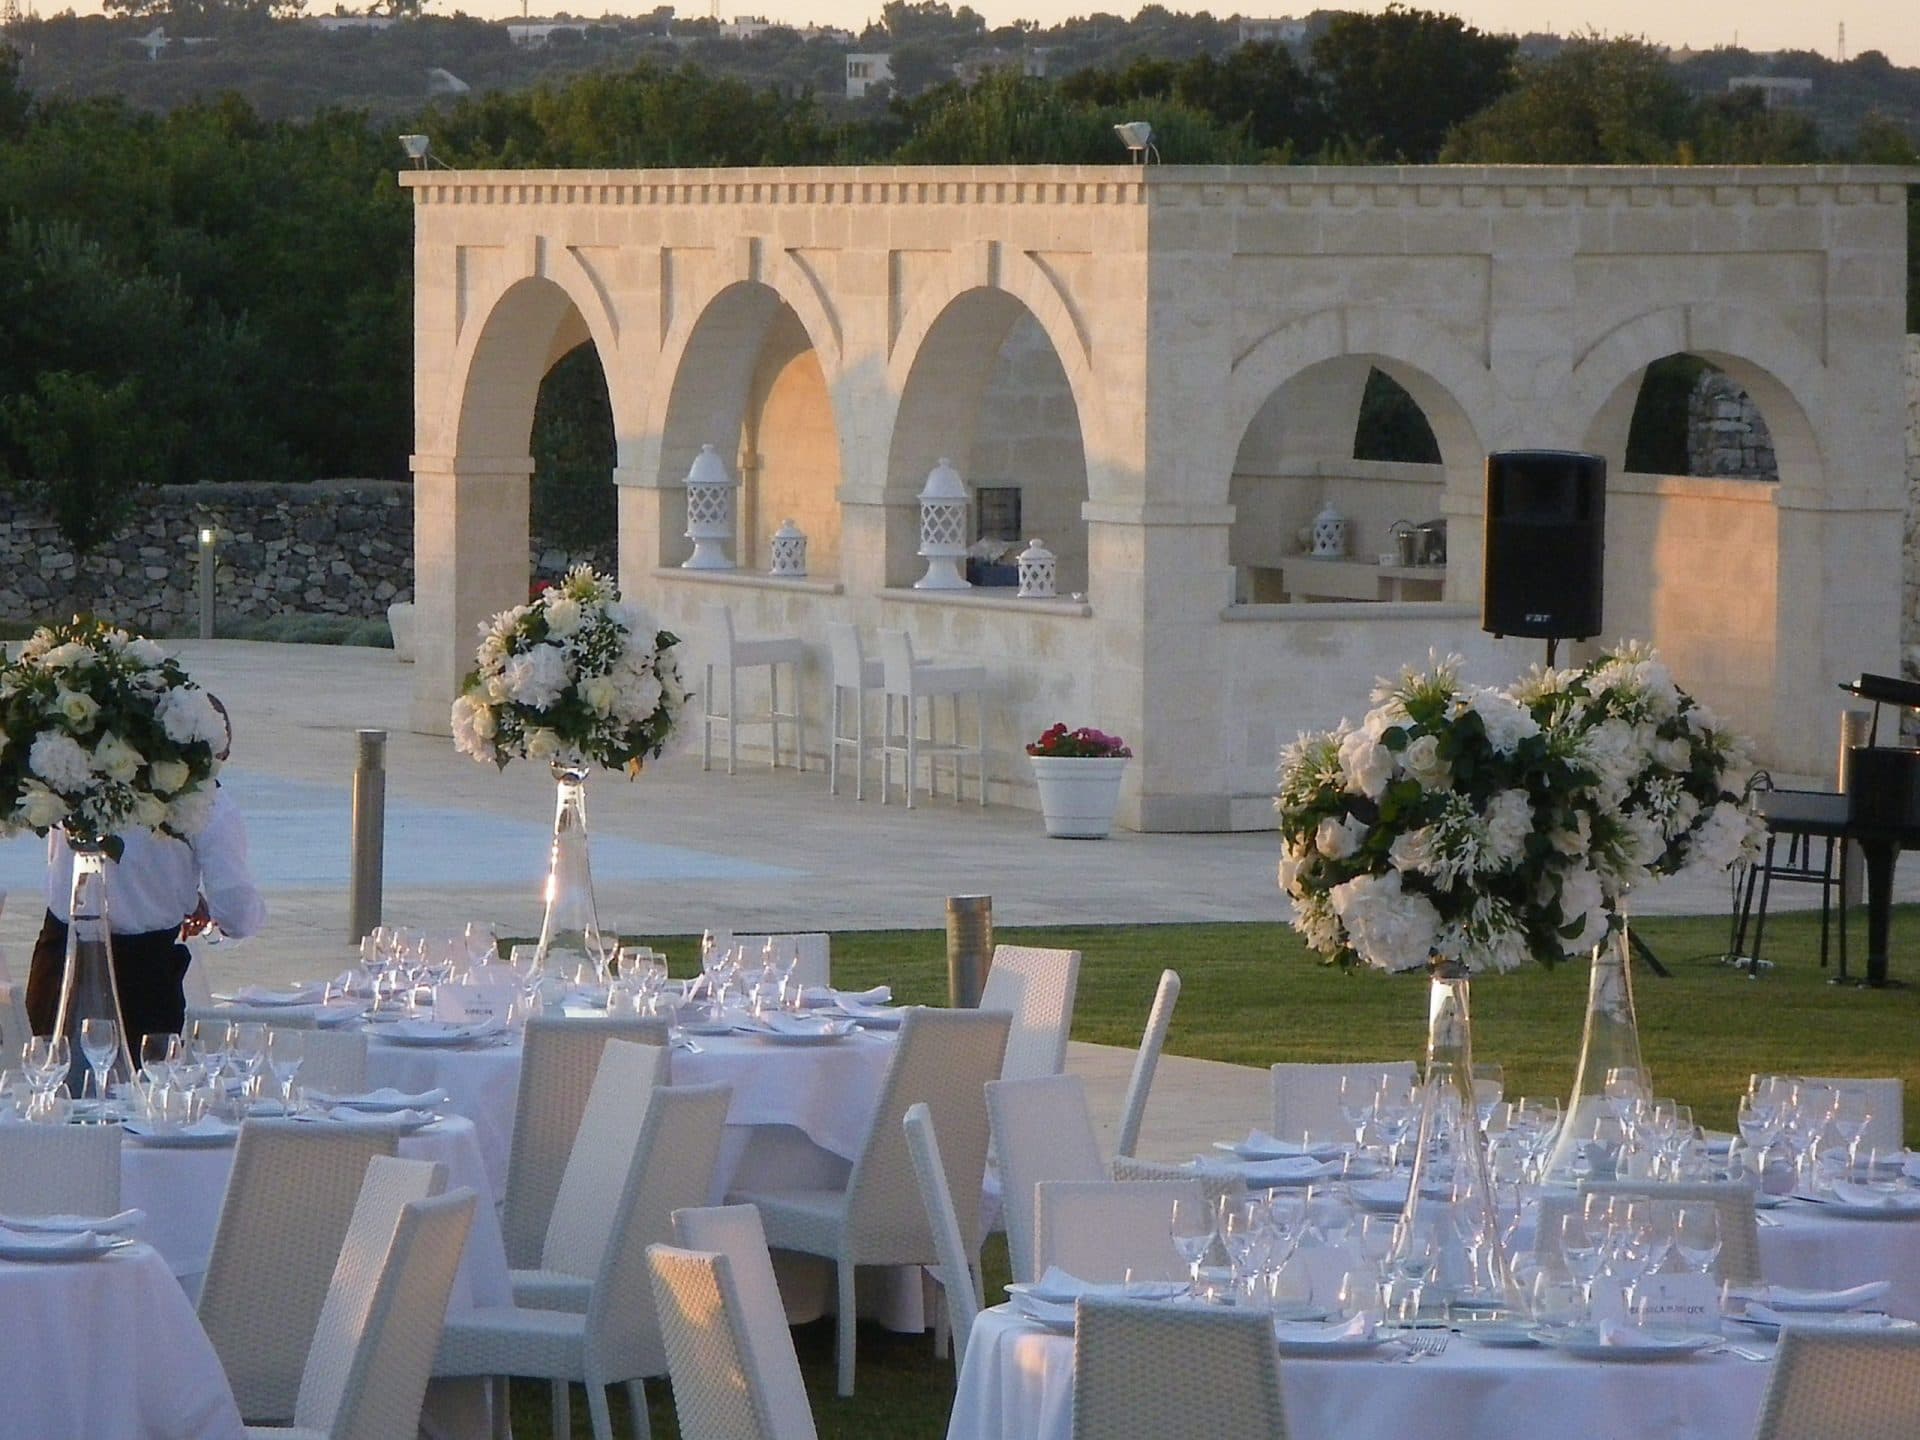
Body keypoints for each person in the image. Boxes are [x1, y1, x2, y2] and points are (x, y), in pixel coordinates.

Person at [25, 700, 266, 1054]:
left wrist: (182, 896)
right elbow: (237, 913)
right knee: (141, 1096)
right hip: (142, 980)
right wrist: (211, 910)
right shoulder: (208, 802)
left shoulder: (79, 779)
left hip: (57, 962)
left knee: (50, 1088)